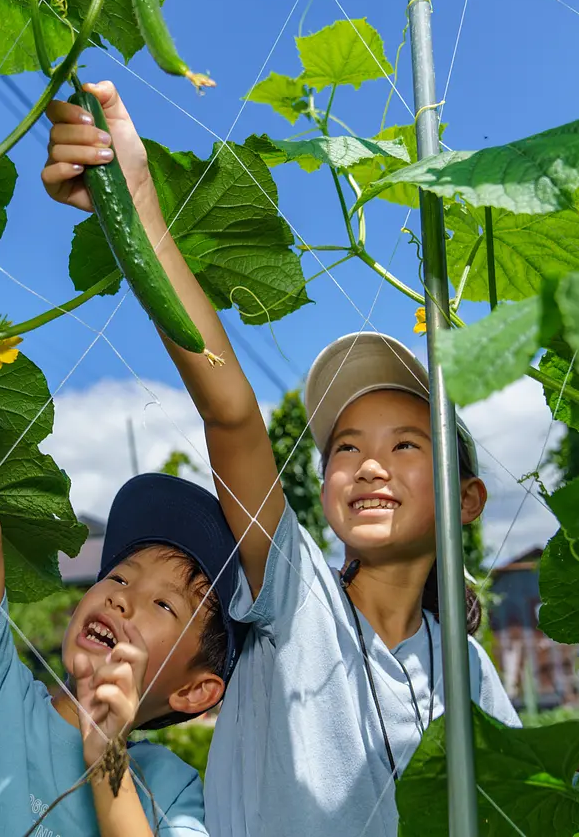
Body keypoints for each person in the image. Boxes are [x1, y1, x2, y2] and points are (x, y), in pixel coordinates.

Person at [42, 81, 522, 837]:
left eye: (405, 445)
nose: (368, 465)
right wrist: (135, 208)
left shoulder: (470, 675)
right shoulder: (292, 602)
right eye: (345, 448)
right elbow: (229, 413)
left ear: (466, 501)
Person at [0, 242, 247, 836]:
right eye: (118, 577)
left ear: (197, 693)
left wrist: (107, 755)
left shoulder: (173, 791)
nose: (121, 597)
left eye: (163, 604)